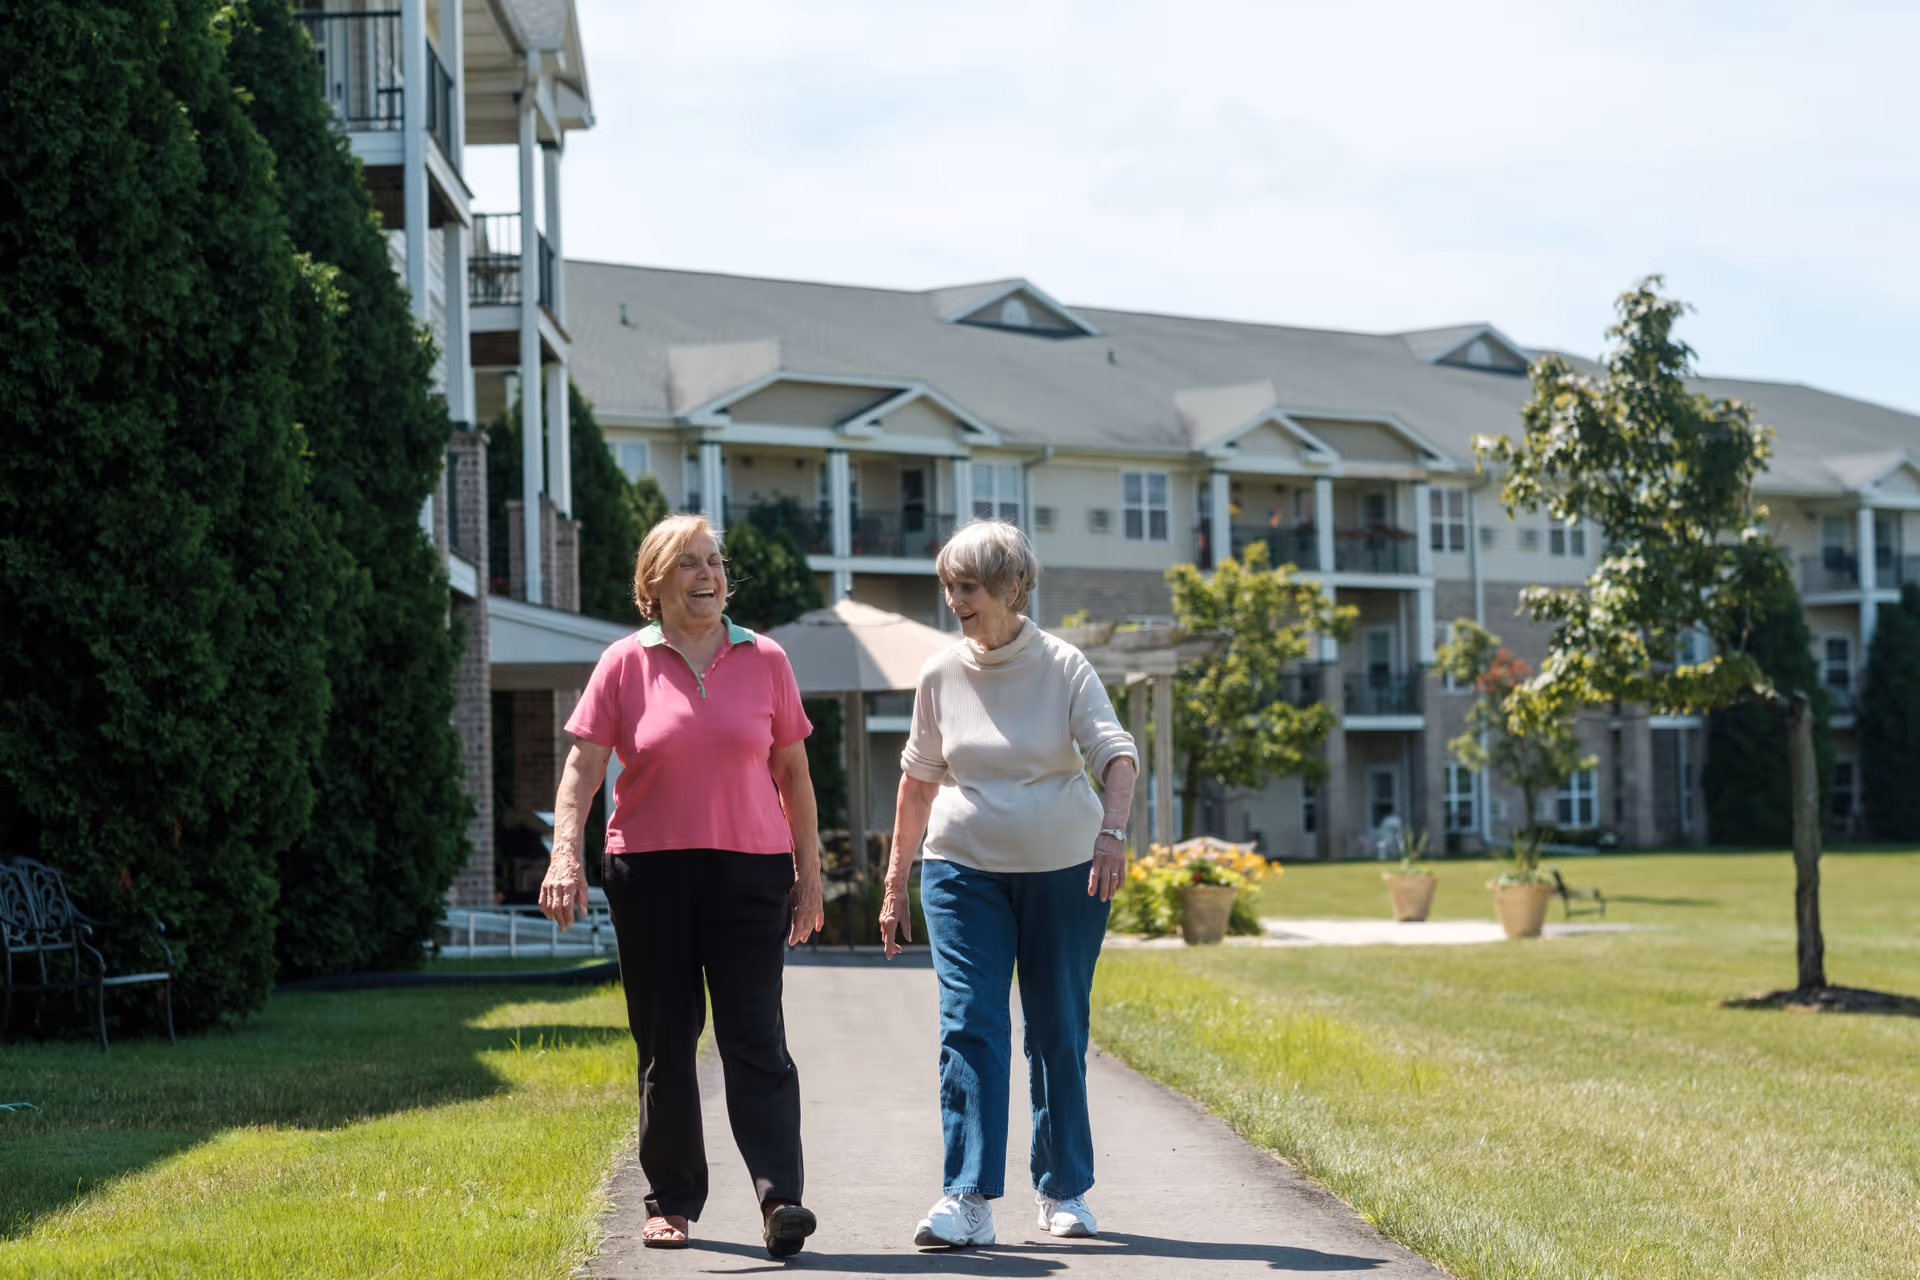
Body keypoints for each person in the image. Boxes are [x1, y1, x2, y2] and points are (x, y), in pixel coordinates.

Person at [538, 514, 825, 1259]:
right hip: (652, 870)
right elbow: (583, 770)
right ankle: (672, 1199)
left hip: (751, 870)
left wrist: (810, 877)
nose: (708, 575)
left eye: (715, 561)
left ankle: (781, 1199)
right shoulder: (623, 664)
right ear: (654, 584)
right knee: (666, 1041)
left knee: (755, 1036)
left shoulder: (765, 659)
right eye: (690, 564)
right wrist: (564, 855)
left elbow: (793, 775)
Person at [878, 519, 1139, 1248]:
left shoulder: (1062, 666)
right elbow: (915, 785)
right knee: (970, 1025)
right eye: (948, 586)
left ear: (1012, 586)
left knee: (1057, 1027)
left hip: (1063, 871)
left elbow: (1116, 757)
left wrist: (1110, 835)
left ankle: (1064, 1189)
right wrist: (896, 884)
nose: (954, 600)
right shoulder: (939, 674)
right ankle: (967, 1196)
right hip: (961, 871)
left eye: (968, 587)